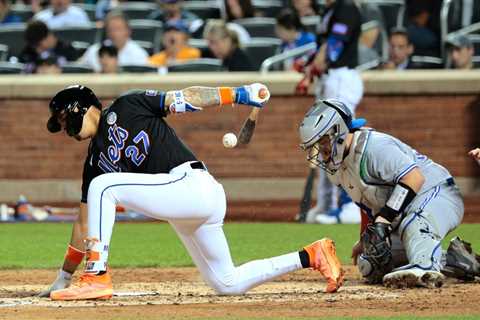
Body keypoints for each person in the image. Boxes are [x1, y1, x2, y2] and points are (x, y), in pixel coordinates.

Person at [39, 84, 344, 300]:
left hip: (193, 186)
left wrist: (237, 94)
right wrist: (64, 277)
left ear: (81, 107)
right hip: (184, 207)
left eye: (65, 119)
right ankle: (312, 255)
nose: (65, 128)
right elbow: (84, 224)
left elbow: (185, 98)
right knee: (227, 283)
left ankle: (96, 276)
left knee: (103, 186)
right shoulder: (94, 161)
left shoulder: (127, 105)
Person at [298, 99, 480, 288]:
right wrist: (366, 238)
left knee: (414, 224)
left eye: (323, 142)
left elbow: (414, 178)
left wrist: (384, 220)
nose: (321, 151)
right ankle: (457, 262)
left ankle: (424, 267)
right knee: (371, 262)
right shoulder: (337, 168)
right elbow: (366, 203)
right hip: (405, 209)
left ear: (338, 132)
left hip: (437, 193)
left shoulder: (374, 147)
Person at [296, 0, 363, 224]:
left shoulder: (347, 8)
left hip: (342, 78)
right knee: (324, 141)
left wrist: (314, 66)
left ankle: (350, 205)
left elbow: (335, 46)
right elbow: (323, 45)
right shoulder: (330, 10)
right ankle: (327, 204)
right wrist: (308, 66)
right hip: (329, 80)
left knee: (339, 139)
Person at [78, 11, 149, 72]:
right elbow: (80, 72)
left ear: (128, 31)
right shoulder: (94, 50)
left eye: (118, 29)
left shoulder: (139, 54)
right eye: (111, 29)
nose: (114, 33)